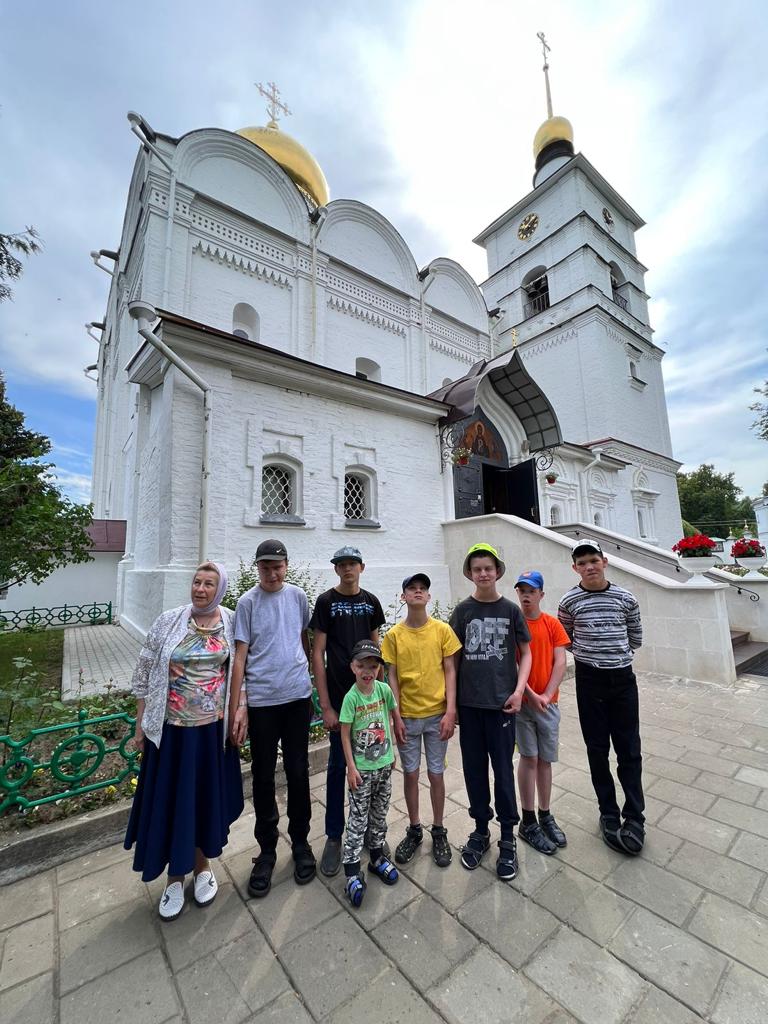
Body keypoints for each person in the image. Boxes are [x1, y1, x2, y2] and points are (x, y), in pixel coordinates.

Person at [125, 561, 244, 921]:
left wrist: (242, 710)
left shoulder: (232, 620)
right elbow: (145, 671)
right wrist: (141, 723)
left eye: (209, 584)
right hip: (172, 732)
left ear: (220, 589)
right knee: (173, 800)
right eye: (197, 582)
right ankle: (174, 878)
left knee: (203, 800)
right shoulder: (169, 620)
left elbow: (241, 670)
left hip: (211, 732)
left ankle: (202, 867)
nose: (201, 589)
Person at [229, 539, 315, 897]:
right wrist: (238, 706)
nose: (272, 573)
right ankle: (266, 849)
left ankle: (300, 842)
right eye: (265, 567)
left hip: (297, 697)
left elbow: (303, 638)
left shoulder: (297, 597)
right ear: (257, 568)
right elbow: (240, 657)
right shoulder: (247, 603)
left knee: (298, 772)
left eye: (277, 566)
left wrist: (309, 672)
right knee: (263, 775)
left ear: (286, 565)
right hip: (263, 701)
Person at [449, 543, 531, 880]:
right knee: (474, 771)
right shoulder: (463, 611)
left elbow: (525, 653)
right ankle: (481, 829)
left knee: (503, 769)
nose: (483, 573)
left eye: (489, 567)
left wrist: (519, 690)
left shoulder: (511, 610)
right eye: (477, 568)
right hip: (470, 707)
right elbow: (451, 660)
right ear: (470, 573)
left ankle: (508, 837)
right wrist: (451, 704)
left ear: (497, 571)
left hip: (502, 706)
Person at [557, 539, 645, 855]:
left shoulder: (626, 598)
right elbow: (567, 639)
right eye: (582, 563)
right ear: (575, 568)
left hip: (622, 680)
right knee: (597, 750)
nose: (589, 566)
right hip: (589, 681)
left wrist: (612, 655)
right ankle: (608, 813)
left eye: (593, 560)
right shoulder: (569, 602)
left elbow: (635, 637)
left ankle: (635, 818)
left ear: (604, 561)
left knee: (629, 750)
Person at [310, 546, 385, 877]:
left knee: (370, 768)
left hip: (368, 702)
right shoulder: (327, 602)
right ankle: (334, 837)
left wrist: (377, 698)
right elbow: (318, 654)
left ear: (362, 567)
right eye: (341, 564)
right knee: (338, 768)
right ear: (336, 570)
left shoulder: (371, 602)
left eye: (352, 563)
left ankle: (368, 830)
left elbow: (377, 651)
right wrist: (325, 704)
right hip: (340, 701)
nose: (347, 569)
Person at [381, 573, 462, 867]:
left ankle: (438, 829)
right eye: (411, 589)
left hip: (438, 715)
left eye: (422, 589)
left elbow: (450, 670)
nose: (417, 592)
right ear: (403, 597)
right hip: (408, 718)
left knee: (437, 773)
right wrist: (396, 716)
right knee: (411, 774)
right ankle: (414, 828)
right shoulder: (393, 636)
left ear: (428, 597)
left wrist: (451, 710)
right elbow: (391, 675)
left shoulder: (442, 631)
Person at [339, 640, 401, 907]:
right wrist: (351, 767)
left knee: (379, 815)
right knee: (357, 820)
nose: (367, 671)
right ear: (353, 667)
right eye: (362, 665)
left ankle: (376, 857)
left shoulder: (384, 690)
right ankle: (352, 872)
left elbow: (392, 714)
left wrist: (393, 752)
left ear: (379, 669)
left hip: (384, 767)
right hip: (361, 772)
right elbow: (344, 733)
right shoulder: (351, 698)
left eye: (373, 666)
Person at [513, 570, 570, 856]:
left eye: (531, 590)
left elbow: (560, 661)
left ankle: (546, 814)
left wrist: (546, 695)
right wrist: (530, 696)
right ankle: (528, 818)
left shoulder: (551, 624)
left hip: (548, 704)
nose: (526, 595)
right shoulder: (514, 624)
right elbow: (512, 663)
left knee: (545, 760)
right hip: (523, 705)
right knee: (529, 757)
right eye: (522, 590)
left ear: (541, 594)